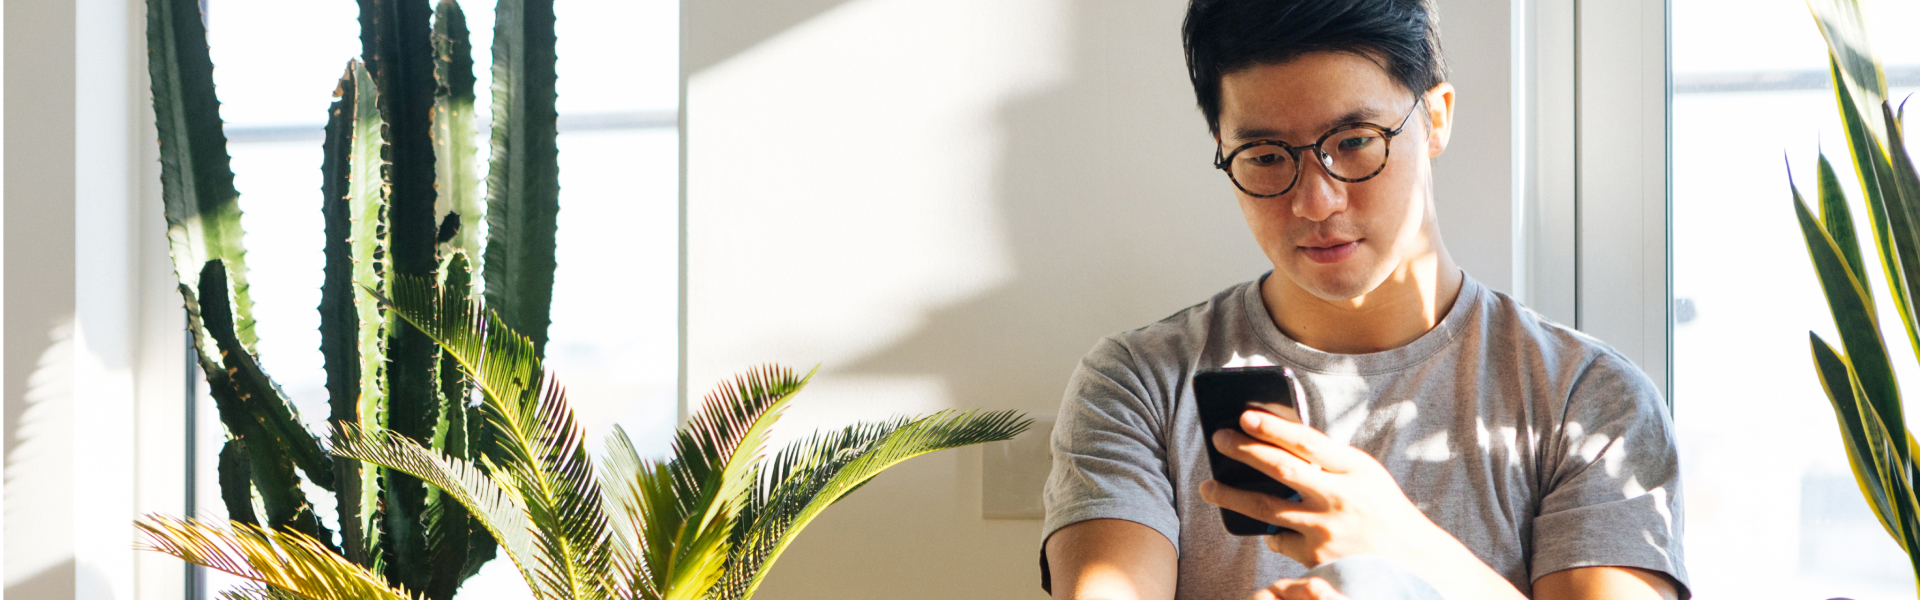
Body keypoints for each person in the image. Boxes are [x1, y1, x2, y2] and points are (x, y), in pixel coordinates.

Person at [1038, 1, 1689, 599]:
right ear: (1224, 153)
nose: (1315, 202)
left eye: (1353, 143)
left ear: (1436, 119)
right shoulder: (1140, 385)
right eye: (1265, 156)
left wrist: (1405, 549)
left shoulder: (1589, 401)